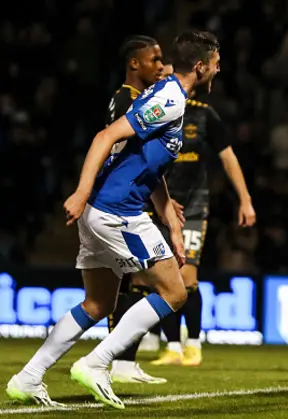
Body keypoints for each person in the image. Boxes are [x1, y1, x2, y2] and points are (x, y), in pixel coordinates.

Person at [6, 30, 221, 409]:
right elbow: (105, 137)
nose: (220, 71)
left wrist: (170, 219)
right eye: (217, 64)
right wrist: (81, 191)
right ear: (201, 67)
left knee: (97, 303)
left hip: (103, 210)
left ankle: (27, 377)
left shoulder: (169, 94)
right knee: (175, 291)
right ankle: (97, 363)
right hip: (116, 210)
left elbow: (149, 164)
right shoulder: (170, 99)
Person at [149, 58, 257, 367]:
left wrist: (245, 199)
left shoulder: (204, 114)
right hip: (161, 204)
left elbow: (229, 158)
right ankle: (171, 347)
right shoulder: (155, 112)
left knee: (187, 275)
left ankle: (193, 344)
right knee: (164, 278)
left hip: (194, 205)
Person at [99, 35, 169, 385]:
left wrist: (164, 202)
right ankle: (117, 360)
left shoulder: (133, 99)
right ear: (134, 64)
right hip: (121, 203)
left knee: (130, 281)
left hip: (131, 199)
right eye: (154, 60)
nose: (160, 66)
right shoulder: (129, 99)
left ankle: (120, 360)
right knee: (137, 279)